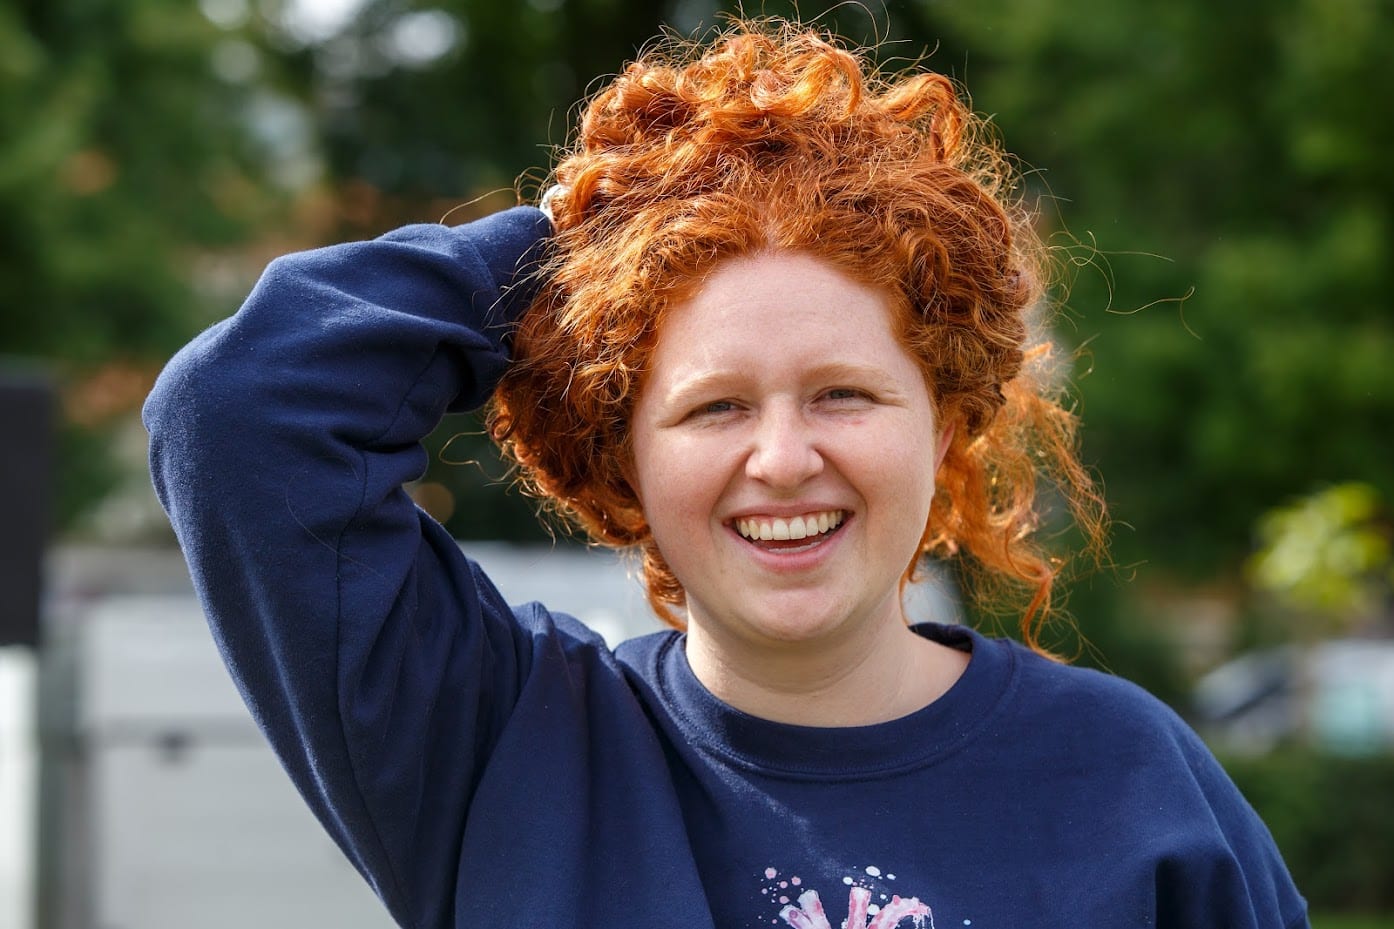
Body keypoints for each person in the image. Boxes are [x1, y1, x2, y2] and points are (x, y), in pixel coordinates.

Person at [144, 20, 1308, 929]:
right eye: (714, 406)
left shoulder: (1126, 778)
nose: (783, 458)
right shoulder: (500, 749)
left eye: (842, 393)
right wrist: (598, 223)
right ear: (622, 454)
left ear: (946, 419)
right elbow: (239, 409)